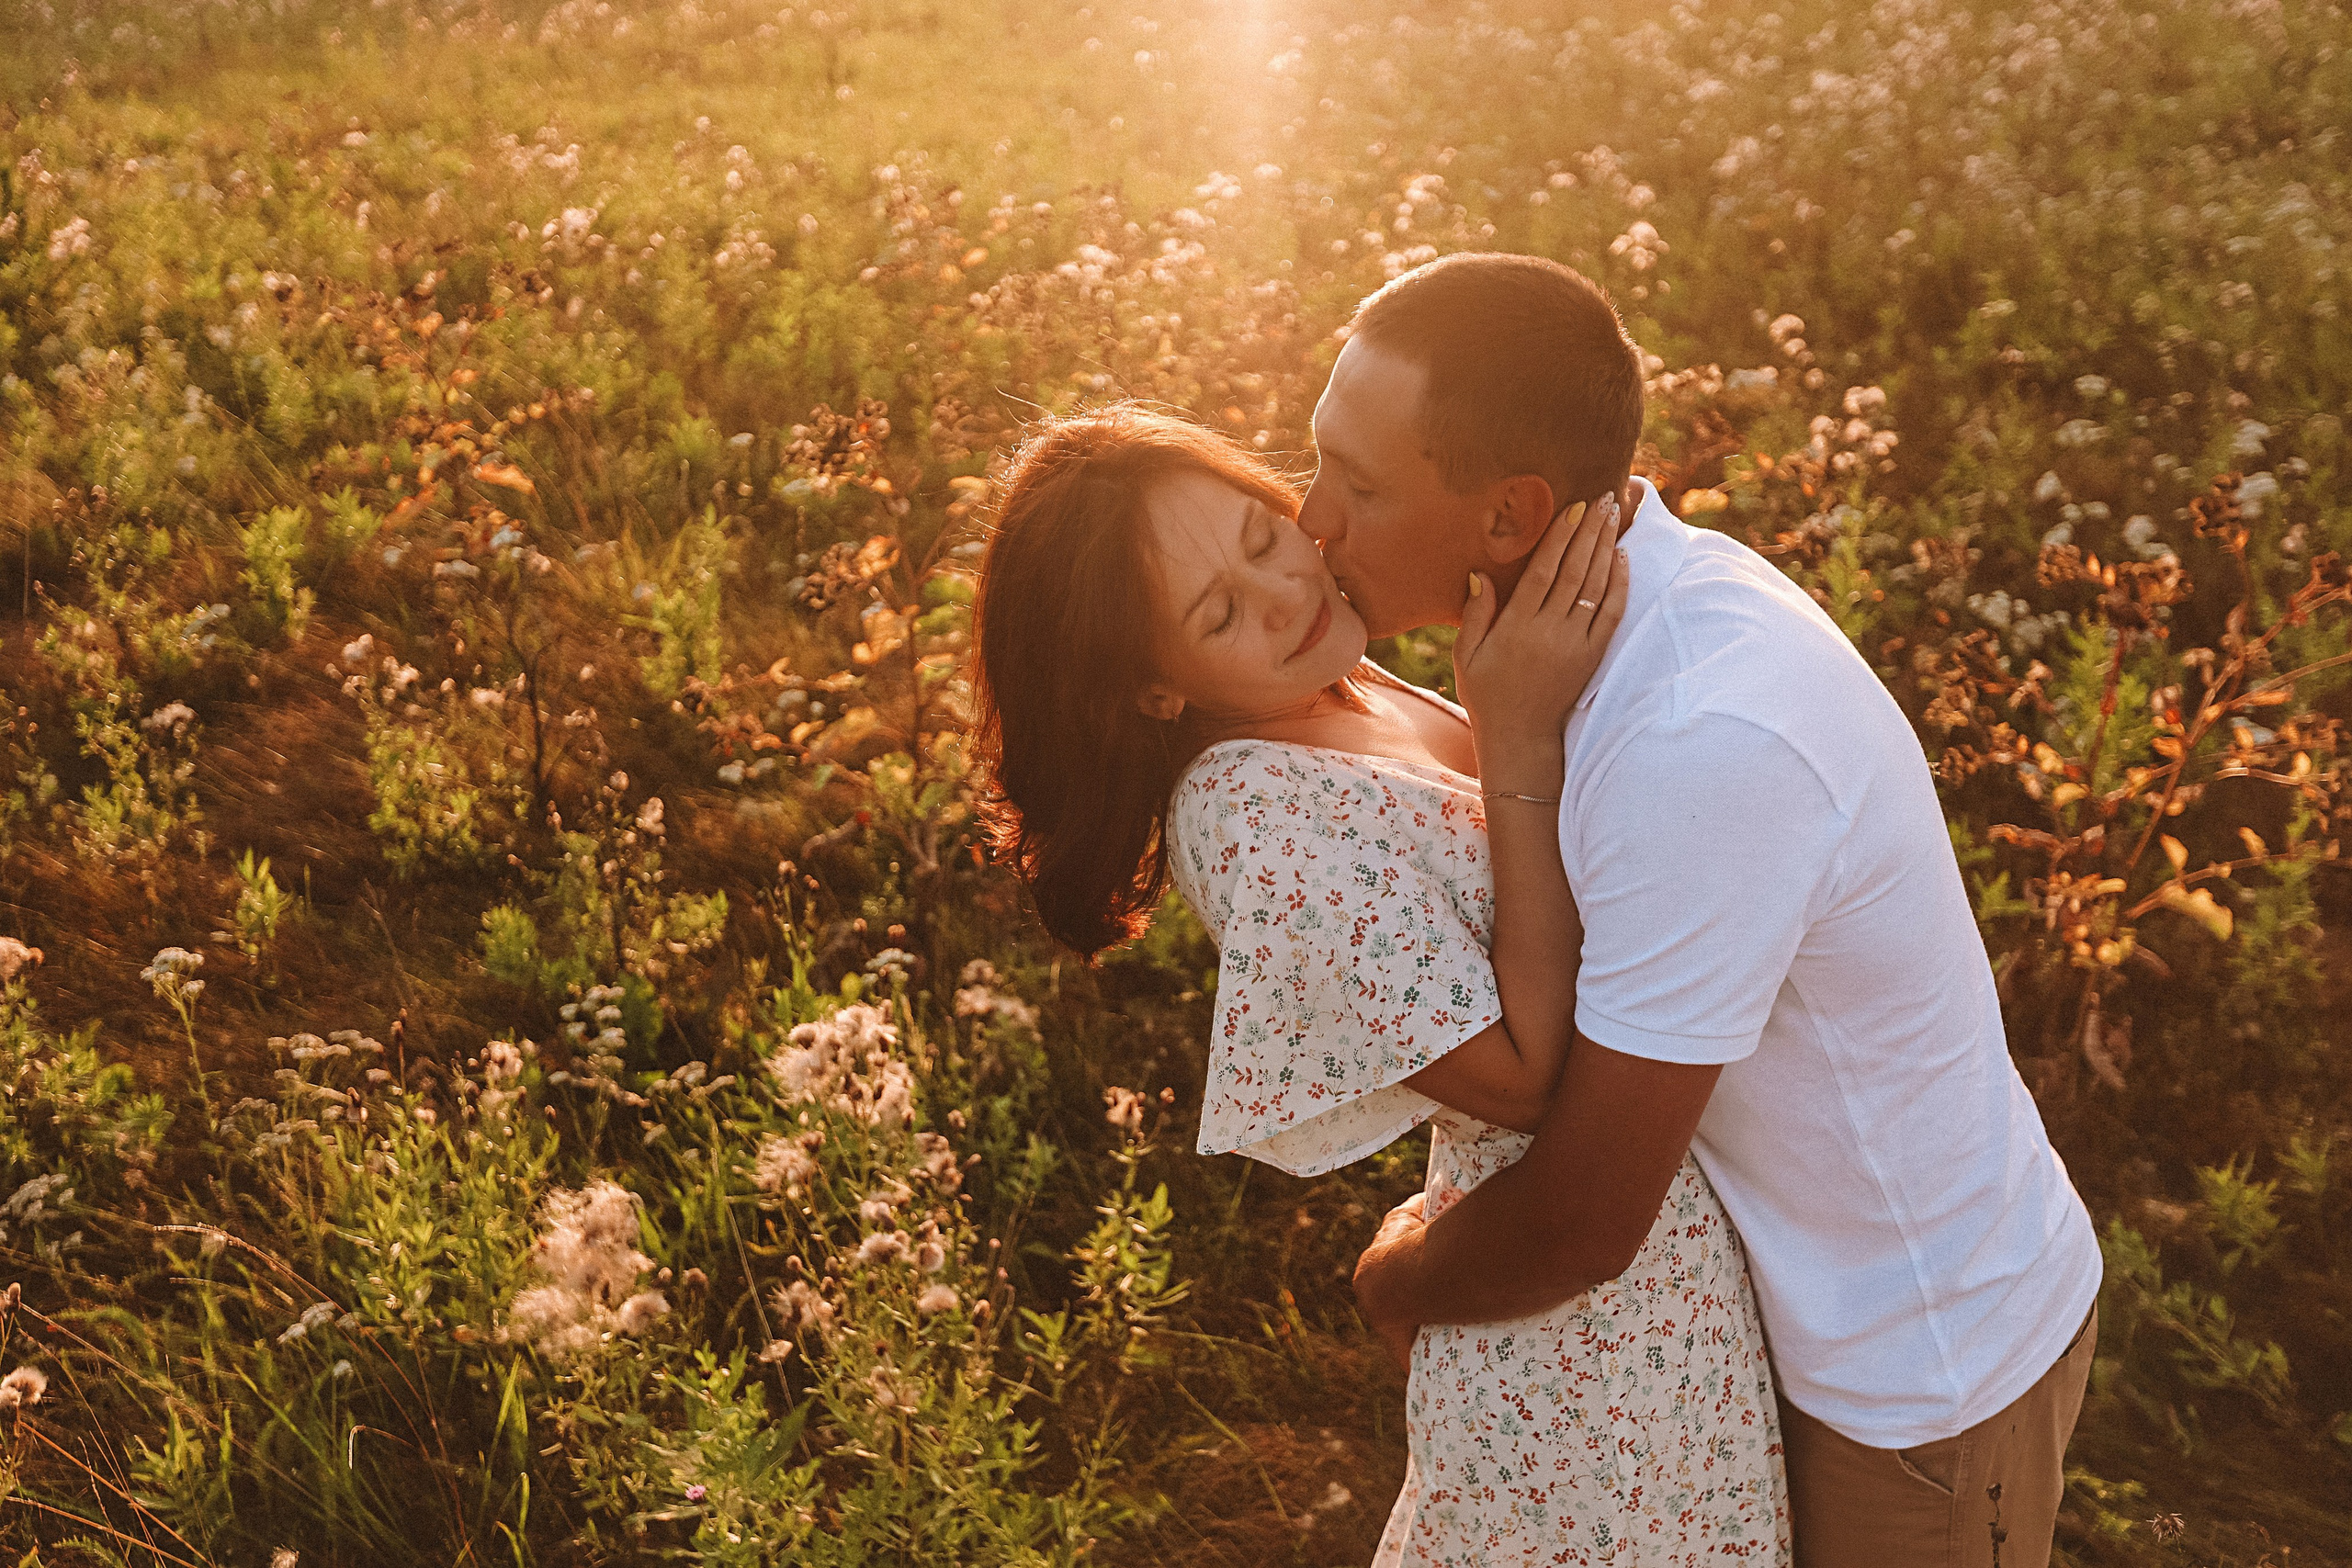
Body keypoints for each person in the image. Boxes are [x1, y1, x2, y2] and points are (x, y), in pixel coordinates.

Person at [1321, 252, 2103, 1568]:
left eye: (1356, 480)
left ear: (1511, 515)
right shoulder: (1606, 628)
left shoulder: (1699, 737)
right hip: (1811, 1322)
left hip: (1918, 1374)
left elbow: (1584, 1215)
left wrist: (1394, 1277)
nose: (1312, 518)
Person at [970, 405, 1791, 1563]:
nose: (1284, 595)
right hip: (1588, 1348)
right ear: (1153, 690)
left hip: (1669, 1243)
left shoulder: (1343, 686)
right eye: (1219, 614)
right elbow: (1515, 1076)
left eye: (1262, 538)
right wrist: (1516, 733)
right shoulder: (1252, 813)